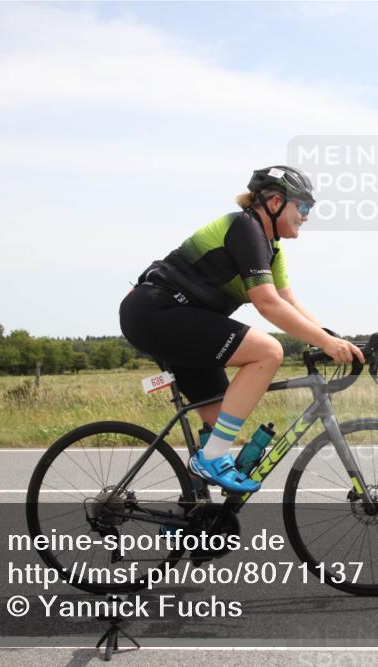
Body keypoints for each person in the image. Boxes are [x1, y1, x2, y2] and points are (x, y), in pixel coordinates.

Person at [119, 166, 364, 494]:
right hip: (157, 311)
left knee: (220, 424)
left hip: (180, 321)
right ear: (276, 202)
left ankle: (192, 518)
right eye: (303, 208)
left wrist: (334, 340)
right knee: (268, 351)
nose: (306, 217)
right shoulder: (245, 228)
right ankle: (211, 460)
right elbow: (267, 304)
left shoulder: (271, 248)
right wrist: (325, 342)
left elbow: (286, 300)